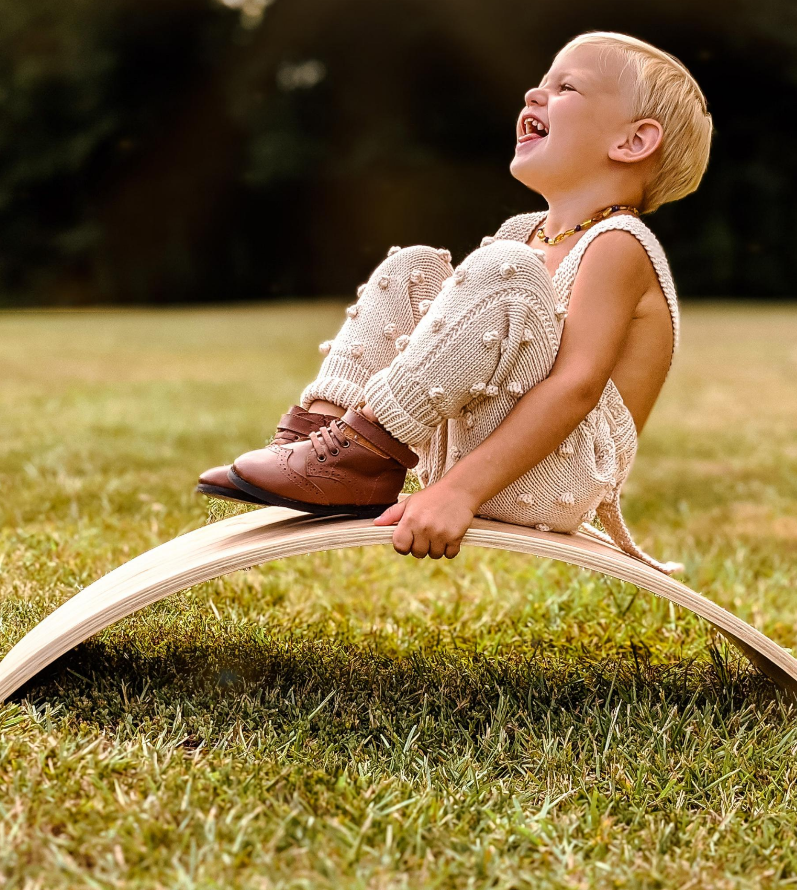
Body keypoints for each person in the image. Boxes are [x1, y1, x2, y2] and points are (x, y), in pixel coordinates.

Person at [197, 31, 713, 574]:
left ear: (633, 142)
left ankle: (361, 449)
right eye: (539, 84)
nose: (533, 96)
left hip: (551, 475)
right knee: (415, 265)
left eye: (565, 88)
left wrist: (459, 493)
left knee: (503, 269)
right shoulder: (525, 232)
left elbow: (576, 388)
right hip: (472, 452)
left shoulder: (619, 244)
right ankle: (320, 443)